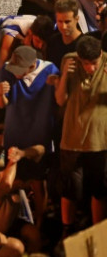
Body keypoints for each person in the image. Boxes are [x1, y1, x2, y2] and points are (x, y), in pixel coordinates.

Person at [0, 46, 59, 229]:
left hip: (39, 134)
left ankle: (39, 225)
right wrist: (0, 94)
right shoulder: (7, 69)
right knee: (15, 177)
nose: (15, 74)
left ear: (32, 66)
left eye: (19, 70)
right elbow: (3, 104)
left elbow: (59, 101)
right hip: (15, 131)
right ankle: (11, 220)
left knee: (38, 181)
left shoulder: (50, 71)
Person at [56, 35, 107, 237]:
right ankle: (67, 231)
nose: (90, 69)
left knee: (100, 190)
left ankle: (99, 234)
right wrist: (63, 79)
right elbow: (60, 100)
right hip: (72, 140)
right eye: (85, 64)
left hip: (100, 141)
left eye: (93, 64)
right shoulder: (69, 60)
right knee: (69, 190)